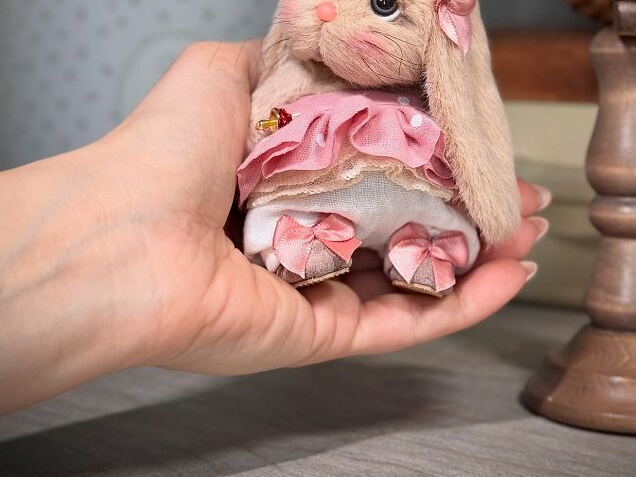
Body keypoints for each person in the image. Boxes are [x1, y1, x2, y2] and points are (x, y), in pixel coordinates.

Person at [0, 41, 549, 416]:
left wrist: (487, 181)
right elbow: (269, 114)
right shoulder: (296, 69)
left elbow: (472, 120)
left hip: (413, 170)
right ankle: (311, 238)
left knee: (436, 201)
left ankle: (417, 244)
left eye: (385, 4)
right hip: (314, 167)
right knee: (298, 188)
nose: (333, 10)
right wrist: (265, 131)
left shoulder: (436, 82)